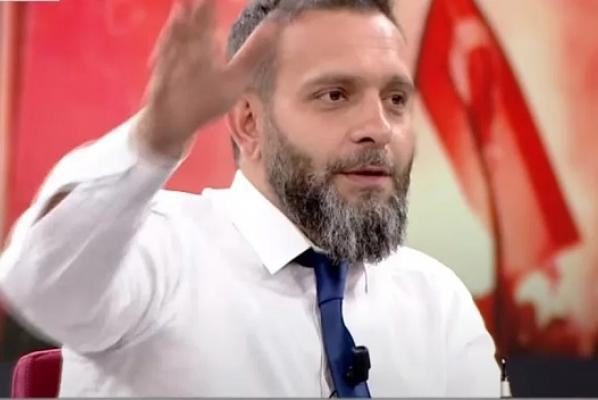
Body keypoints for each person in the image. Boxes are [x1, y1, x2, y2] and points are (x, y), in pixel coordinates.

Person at [0, 0, 500, 396]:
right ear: (248, 123)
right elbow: (37, 282)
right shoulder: (157, 254)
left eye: (395, 99)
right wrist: (154, 138)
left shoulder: (437, 299)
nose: (379, 128)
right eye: (335, 95)